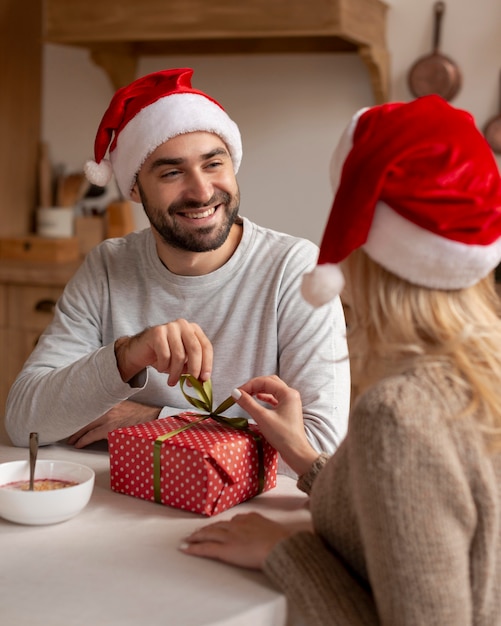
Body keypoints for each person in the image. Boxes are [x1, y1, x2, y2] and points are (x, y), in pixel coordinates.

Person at [181, 95, 501, 625]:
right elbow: (423, 515)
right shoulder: (478, 373)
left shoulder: (400, 414)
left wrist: (285, 554)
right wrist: (308, 461)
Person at [4, 68, 350, 476]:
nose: (202, 191)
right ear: (134, 188)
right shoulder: (108, 266)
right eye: (171, 172)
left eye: (213, 164)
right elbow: (23, 422)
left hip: (245, 519)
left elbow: (319, 450)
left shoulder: (293, 269)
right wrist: (125, 357)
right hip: (121, 500)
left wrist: (155, 420)